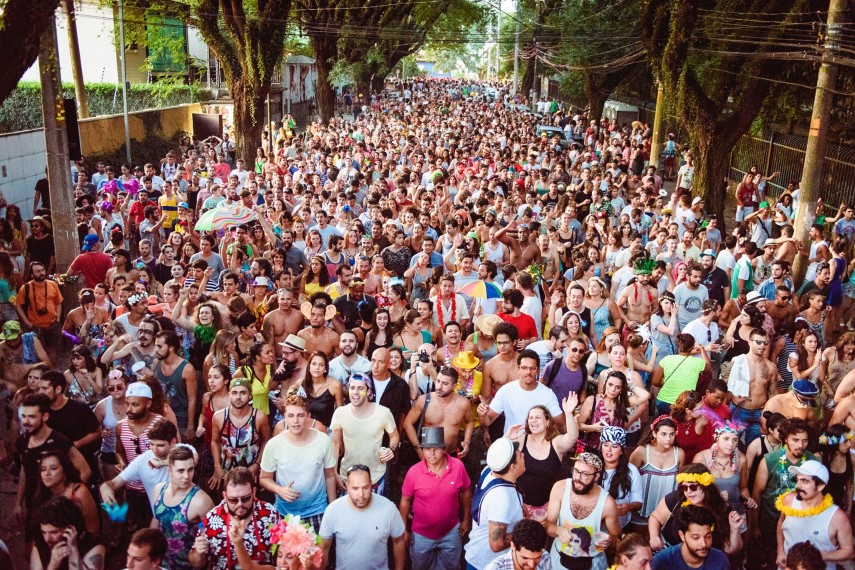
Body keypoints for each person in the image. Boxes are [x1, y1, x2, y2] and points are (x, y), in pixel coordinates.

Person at [399, 426, 472, 570]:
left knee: (452, 567)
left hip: (451, 532)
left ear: (444, 449)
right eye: (427, 449)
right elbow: (405, 500)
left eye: (436, 448)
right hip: (421, 535)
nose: (431, 453)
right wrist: (404, 528)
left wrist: (465, 519)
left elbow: (466, 492)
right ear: (422, 451)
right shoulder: (414, 472)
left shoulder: (458, 467)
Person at [15, 394, 92, 530]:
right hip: (34, 507)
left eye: (32, 417)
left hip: (59, 514)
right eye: (24, 416)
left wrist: (68, 499)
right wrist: (18, 502)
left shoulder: (60, 442)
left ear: (45, 417)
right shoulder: (22, 441)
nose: (26, 421)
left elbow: (85, 470)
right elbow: (24, 470)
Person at [260, 394, 336, 530]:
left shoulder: (323, 440)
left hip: (317, 510)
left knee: (318, 551)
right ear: (285, 417)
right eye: (290, 416)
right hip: (285, 512)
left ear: (308, 416)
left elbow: (329, 475)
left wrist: (332, 508)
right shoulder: (274, 444)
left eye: (300, 415)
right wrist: (280, 490)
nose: (295, 421)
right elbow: (264, 478)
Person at [752, 418, 818, 569]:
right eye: (795, 440)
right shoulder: (769, 460)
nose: (800, 445)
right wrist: (754, 526)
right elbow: (757, 495)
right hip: (769, 524)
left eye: (805, 441)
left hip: (800, 527)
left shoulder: (813, 462)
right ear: (785, 438)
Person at [319, 464, 406, 570]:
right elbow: (324, 546)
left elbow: (399, 540)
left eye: (365, 487)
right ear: (347, 487)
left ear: (371, 485)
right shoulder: (333, 510)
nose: (361, 494)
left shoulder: (388, 508)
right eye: (355, 488)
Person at [190, 467, 281, 569]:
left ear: (254, 492)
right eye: (233, 500)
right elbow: (196, 564)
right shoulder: (211, 520)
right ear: (225, 496)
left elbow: (281, 556)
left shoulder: (270, 514)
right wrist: (198, 553)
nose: (240, 505)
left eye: (245, 498)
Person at [508, 395, 579, 521]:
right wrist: (507, 438)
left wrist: (568, 414)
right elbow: (497, 457)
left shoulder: (556, 443)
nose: (533, 421)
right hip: (521, 506)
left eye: (537, 417)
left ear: (547, 422)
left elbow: (572, 437)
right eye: (530, 418)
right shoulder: (521, 440)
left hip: (548, 508)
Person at [544, 452, 620, 570]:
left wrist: (609, 540)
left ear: (596, 477)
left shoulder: (607, 503)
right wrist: (558, 530)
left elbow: (615, 536)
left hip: (593, 564)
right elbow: (548, 524)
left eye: (585, 474)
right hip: (558, 560)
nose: (578, 478)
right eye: (576, 471)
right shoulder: (560, 488)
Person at [776, 460, 854, 570]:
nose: (798, 486)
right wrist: (780, 551)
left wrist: (821, 555)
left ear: (820, 486)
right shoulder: (788, 501)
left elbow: (849, 551)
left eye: (805, 481)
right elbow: (781, 525)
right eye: (798, 480)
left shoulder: (837, 517)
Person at [464, 438, 526, 570]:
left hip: (477, 557)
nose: (523, 455)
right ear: (512, 467)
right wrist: (525, 532)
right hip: (486, 564)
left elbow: (498, 454)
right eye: (520, 455)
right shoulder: (502, 499)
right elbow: (496, 544)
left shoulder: (489, 471)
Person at [329, 373, 398, 493]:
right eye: (352, 388)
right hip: (348, 476)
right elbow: (335, 443)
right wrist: (335, 473)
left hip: (376, 476)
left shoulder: (383, 413)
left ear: (369, 391)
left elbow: (395, 436)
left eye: (360, 388)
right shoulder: (340, 413)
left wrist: (391, 449)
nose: (355, 392)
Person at [151, 445, 215, 569]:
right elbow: (156, 520)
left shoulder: (201, 501)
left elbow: (213, 536)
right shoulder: (159, 490)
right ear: (169, 470)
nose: (187, 476)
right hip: (162, 562)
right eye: (180, 471)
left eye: (190, 469)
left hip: (189, 565)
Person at [479, 349, 566, 435]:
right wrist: (483, 415)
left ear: (538, 370)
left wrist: (569, 415)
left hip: (538, 445)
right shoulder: (506, 391)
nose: (528, 372)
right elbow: (487, 422)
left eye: (533, 368)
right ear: (518, 369)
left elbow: (561, 424)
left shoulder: (548, 394)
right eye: (524, 368)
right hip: (512, 442)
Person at [209, 377, 271, 489]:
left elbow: (266, 440)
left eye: (243, 393)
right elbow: (215, 441)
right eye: (234, 393)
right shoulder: (219, 417)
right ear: (229, 395)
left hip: (251, 473)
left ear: (250, 395)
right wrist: (217, 466)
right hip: (226, 473)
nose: (238, 397)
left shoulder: (259, 416)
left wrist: (257, 465)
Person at [39, 370, 101, 474]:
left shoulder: (79, 408)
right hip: (52, 468)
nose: (40, 392)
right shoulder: (41, 410)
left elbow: (97, 432)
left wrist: (75, 444)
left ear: (58, 389)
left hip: (81, 465)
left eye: (44, 388)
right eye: (40, 388)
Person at [403, 365, 473, 457]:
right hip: (428, 455)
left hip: (451, 453)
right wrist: (418, 449)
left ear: (454, 386)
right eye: (438, 381)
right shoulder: (424, 400)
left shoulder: (463, 403)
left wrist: (467, 442)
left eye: (445, 383)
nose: (439, 387)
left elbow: (469, 422)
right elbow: (408, 423)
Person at [727, 327, 776, 445]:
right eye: (758, 342)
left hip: (759, 412)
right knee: (731, 444)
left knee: (753, 446)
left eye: (765, 343)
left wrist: (770, 415)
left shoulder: (771, 367)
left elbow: (773, 392)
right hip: (739, 409)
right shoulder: (737, 361)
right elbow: (726, 387)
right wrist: (725, 411)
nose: (762, 346)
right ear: (749, 342)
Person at [29, 496, 106, 570]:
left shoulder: (94, 544)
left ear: (70, 529)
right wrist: (52, 566)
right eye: (44, 532)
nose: (47, 539)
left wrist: (73, 551)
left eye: (54, 532)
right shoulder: (41, 545)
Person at [651, 505, 730, 570]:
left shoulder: (720, 559)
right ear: (682, 536)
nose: (703, 544)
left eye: (708, 536)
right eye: (696, 538)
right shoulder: (662, 561)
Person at [153, 330, 197, 440]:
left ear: (171, 348)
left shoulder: (187, 369)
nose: (155, 350)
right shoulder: (157, 363)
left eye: (159, 346)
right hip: (160, 418)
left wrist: (190, 426)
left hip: (180, 421)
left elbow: (192, 399)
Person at [15, 260, 63, 362]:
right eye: (37, 271)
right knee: (38, 352)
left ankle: (51, 371)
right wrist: (27, 323)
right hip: (35, 326)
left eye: (42, 270)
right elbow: (18, 305)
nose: (41, 273)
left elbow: (58, 302)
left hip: (52, 324)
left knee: (52, 350)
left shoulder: (52, 284)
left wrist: (58, 319)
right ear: (32, 274)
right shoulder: (26, 288)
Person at [599, 426, 644, 530]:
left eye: (614, 446)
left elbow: (638, 502)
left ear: (622, 450)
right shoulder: (594, 467)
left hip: (620, 524)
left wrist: (629, 507)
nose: (609, 450)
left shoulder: (631, 471)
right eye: (605, 445)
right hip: (596, 524)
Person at [483, 519, 551, 570]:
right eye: (525, 558)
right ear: (513, 546)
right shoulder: (495, 568)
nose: (531, 565)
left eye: (537, 557)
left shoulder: (545, 559)